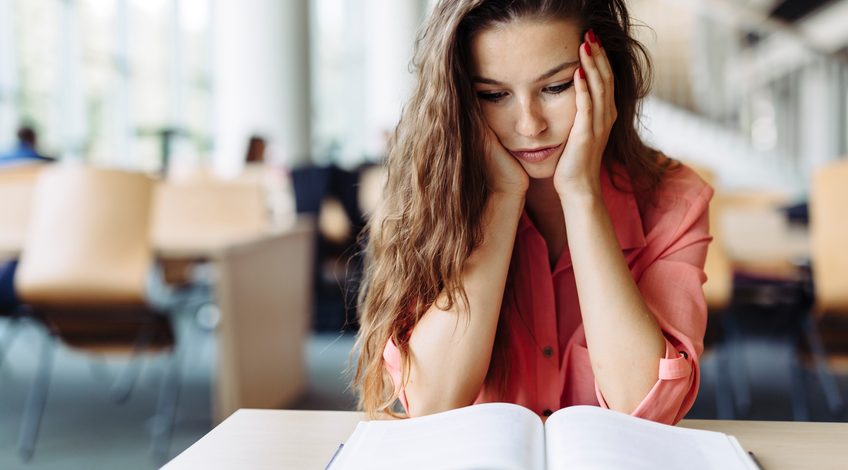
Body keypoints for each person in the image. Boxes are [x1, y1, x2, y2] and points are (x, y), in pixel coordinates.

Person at [353, 0, 713, 426]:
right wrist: (504, 198)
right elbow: (433, 403)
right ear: (460, 101)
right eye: (494, 95)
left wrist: (581, 194)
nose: (529, 125)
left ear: (605, 77)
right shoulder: (431, 196)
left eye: (556, 87)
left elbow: (646, 406)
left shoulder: (675, 198)